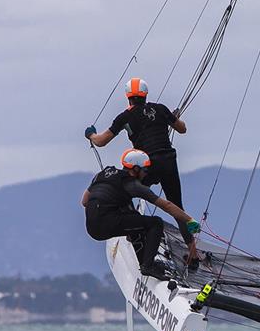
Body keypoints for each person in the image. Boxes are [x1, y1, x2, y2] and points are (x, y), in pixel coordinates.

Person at [84, 78, 195, 255]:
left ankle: (133, 232)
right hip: (168, 161)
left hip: (145, 166)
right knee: (176, 206)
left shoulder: (124, 117)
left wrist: (90, 135)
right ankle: (194, 254)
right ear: (145, 95)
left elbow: (102, 141)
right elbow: (182, 129)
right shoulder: (161, 109)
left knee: (127, 193)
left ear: (128, 97)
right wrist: (173, 119)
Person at [82, 149, 201, 280]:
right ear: (136, 169)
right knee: (155, 223)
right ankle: (148, 266)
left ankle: (144, 262)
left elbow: (84, 201)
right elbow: (166, 205)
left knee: (135, 217)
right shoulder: (132, 185)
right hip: (103, 225)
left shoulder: (102, 174)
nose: (146, 175)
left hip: (91, 224)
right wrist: (189, 220)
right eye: (145, 171)